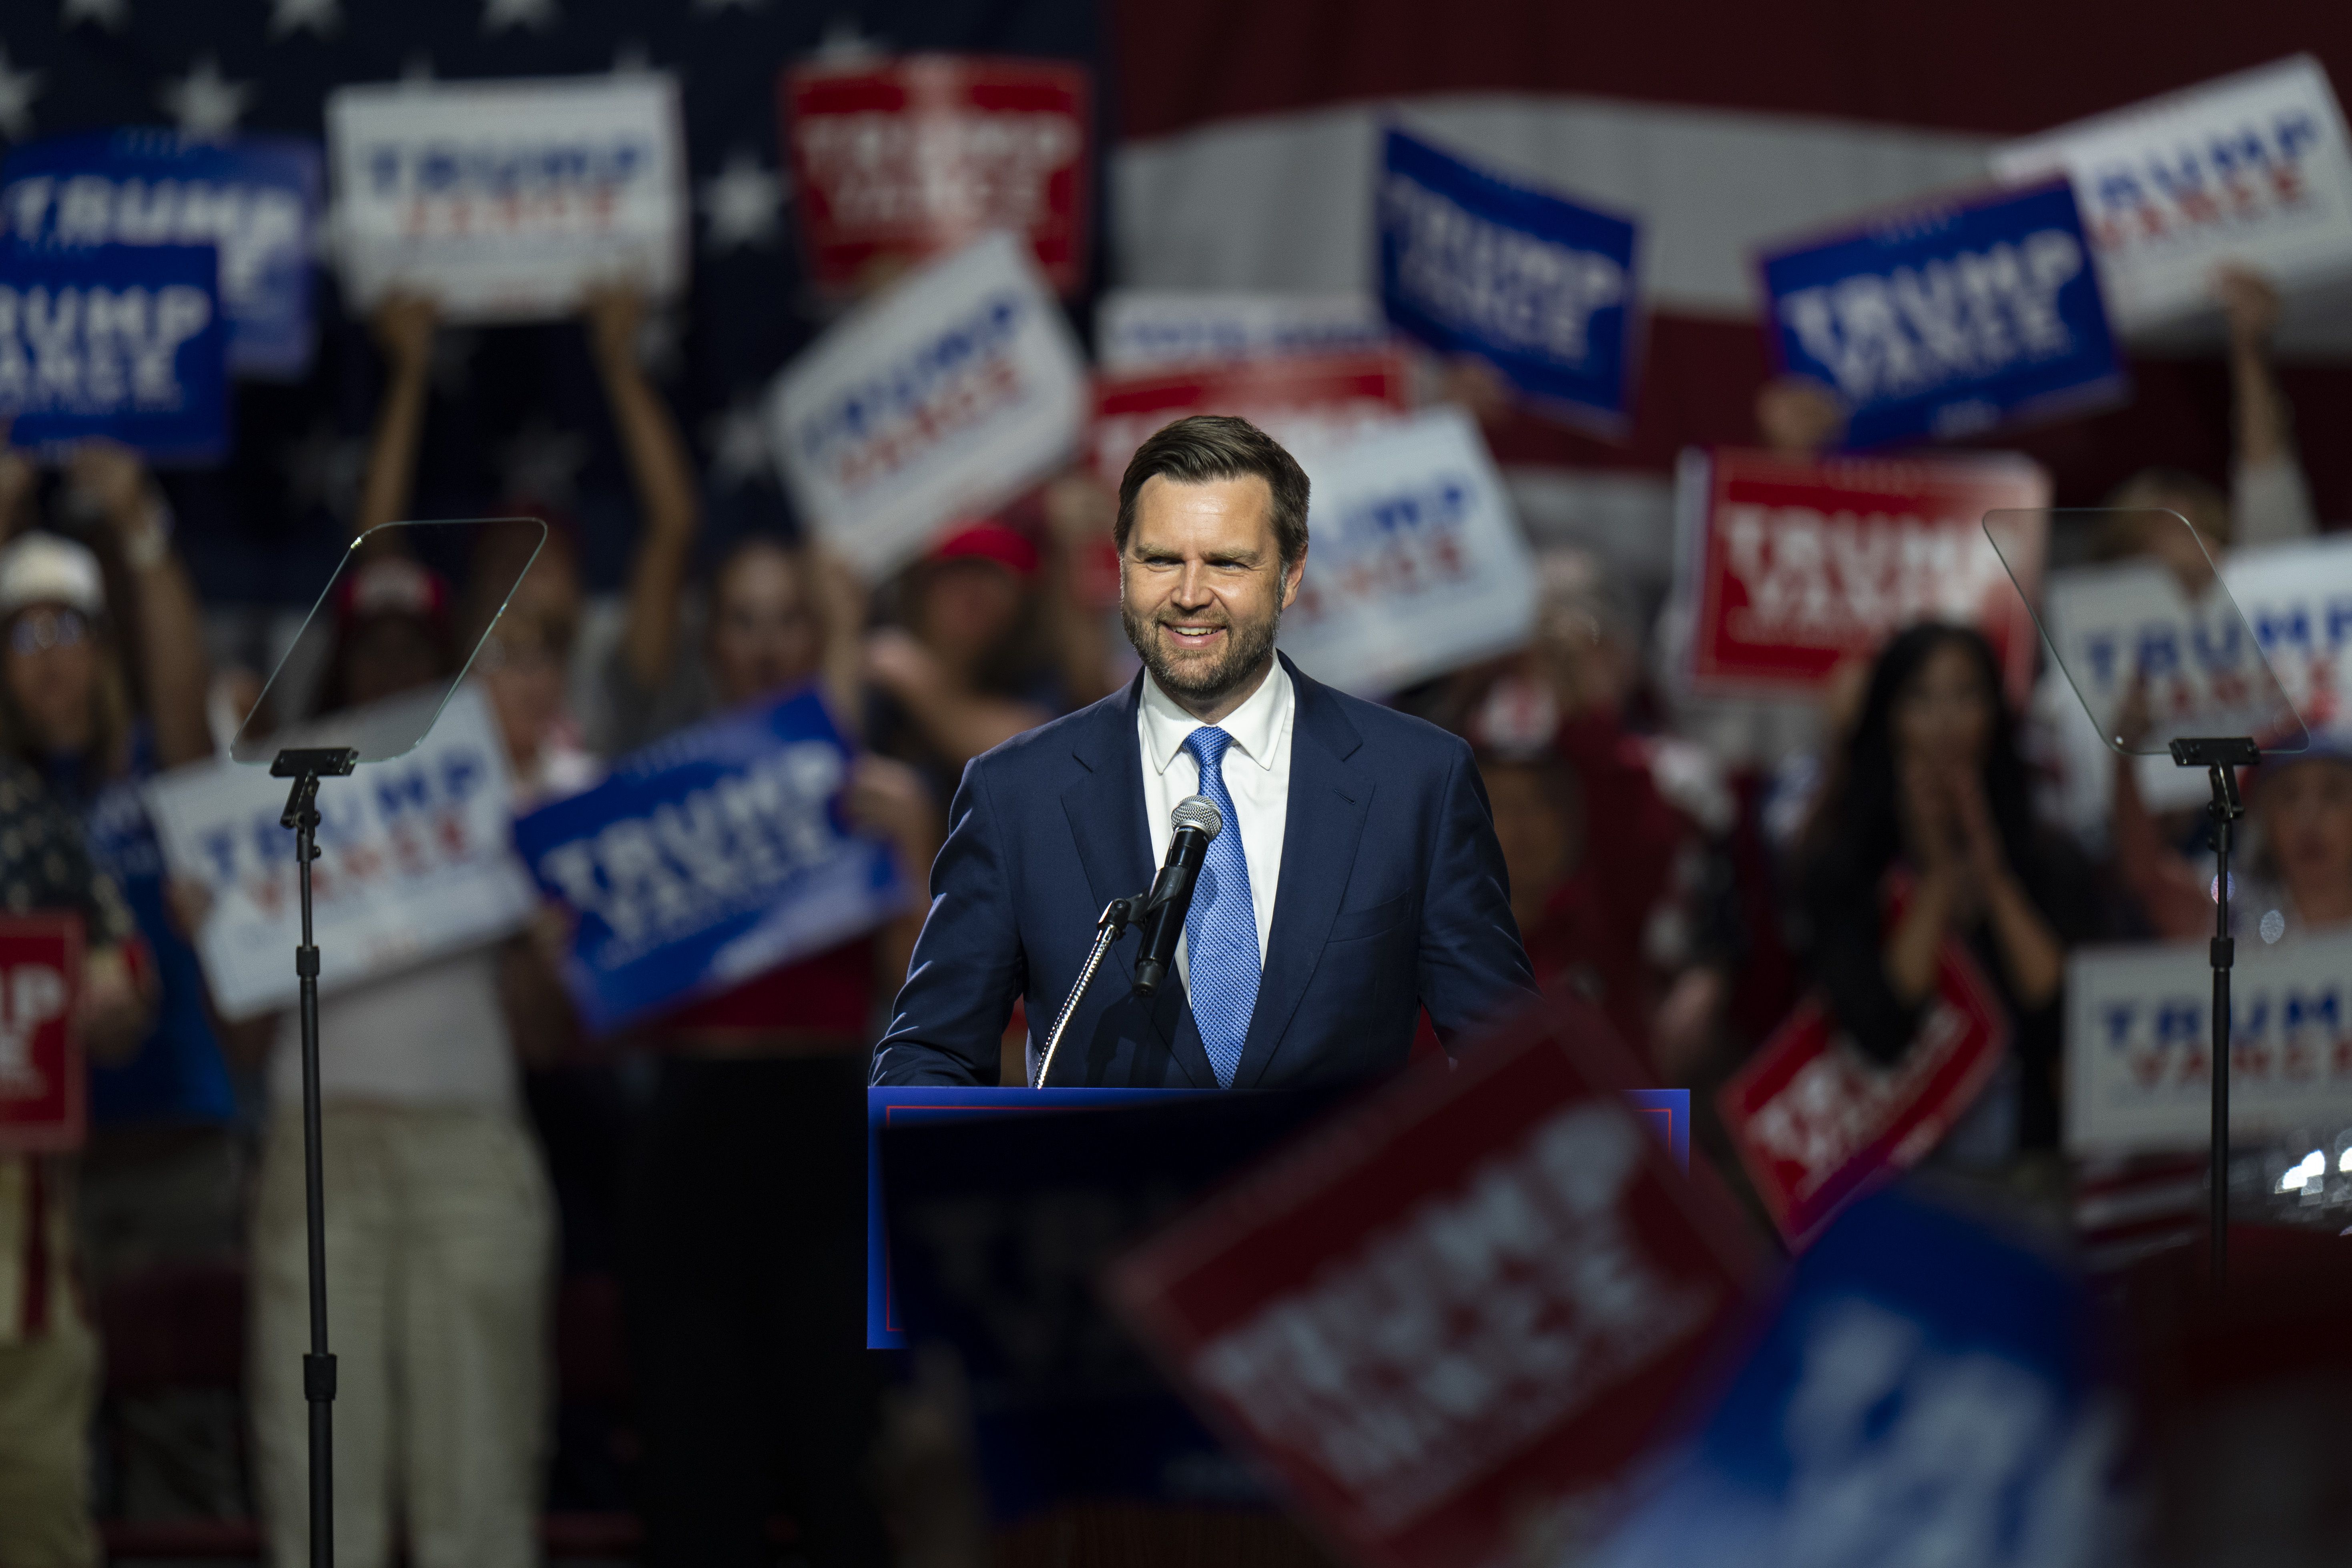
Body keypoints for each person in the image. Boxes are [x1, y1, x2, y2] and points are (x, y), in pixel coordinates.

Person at [872, 414, 1539, 1090]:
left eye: (1226, 562)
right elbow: (926, 1059)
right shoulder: (1017, 793)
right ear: (1123, 563)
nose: (1190, 595)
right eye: (1162, 559)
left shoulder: (1415, 781)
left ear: (1291, 572)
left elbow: (1513, 1058)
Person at [0, 444, 245, 1523]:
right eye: (26, 637)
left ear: (106, 651)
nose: (53, 662)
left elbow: (182, 679)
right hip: (39, 1178)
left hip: (174, 1148)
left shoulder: (155, 764)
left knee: (182, 1454)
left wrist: (140, 520)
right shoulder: (11, 797)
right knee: (45, 1454)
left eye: (73, 634)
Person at [1790, 624, 2095, 1153]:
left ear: (1996, 714)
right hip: (1896, 1172)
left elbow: (2064, 1015)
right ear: (1888, 715)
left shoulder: (2050, 857)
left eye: (1966, 694)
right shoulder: (1843, 867)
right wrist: (1936, 883)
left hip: (2028, 1158)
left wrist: (1992, 877)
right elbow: (1881, 1031)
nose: (1946, 721)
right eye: (1921, 698)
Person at [0, 753, 154, 1568]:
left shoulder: (28, 815)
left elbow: (123, 971)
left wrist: (115, 992)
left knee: (42, 1533)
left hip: (25, 1283)